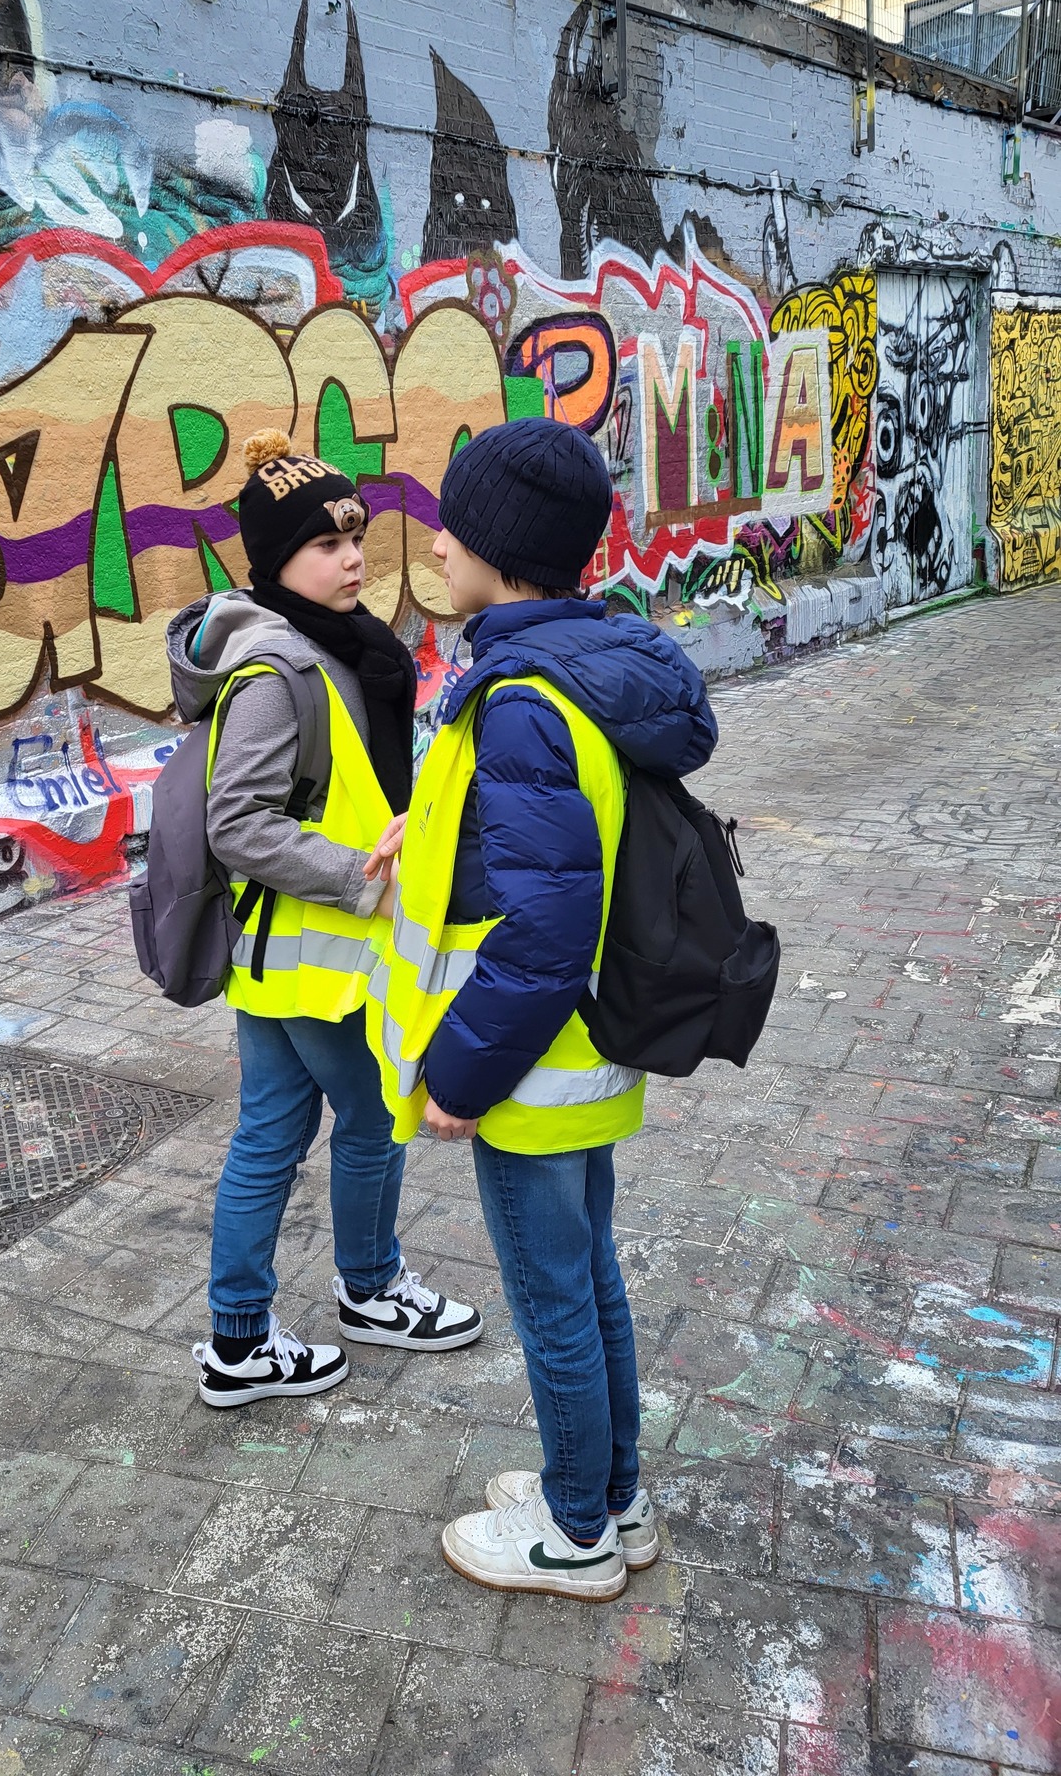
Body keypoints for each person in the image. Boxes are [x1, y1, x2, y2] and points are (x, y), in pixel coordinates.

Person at [365, 418, 717, 1598]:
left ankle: (574, 1534)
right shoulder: (580, 663)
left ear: (503, 554)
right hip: (579, 1056)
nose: (437, 544)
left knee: (554, 1298)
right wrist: (433, 825)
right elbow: (541, 843)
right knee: (589, 1278)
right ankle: (615, 1494)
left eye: (454, 527)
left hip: (526, 1067)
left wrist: (460, 1077)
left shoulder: (522, 699)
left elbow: (544, 932)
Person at [168, 429, 482, 1409]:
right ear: (276, 560)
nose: (351, 559)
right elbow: (236, 824)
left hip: (289, 955)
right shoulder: (279, 670)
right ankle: (372, 1287)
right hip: (317, 957)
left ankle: (238, 1339)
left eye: (355, 537)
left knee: (270, 1133)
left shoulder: (337, 647)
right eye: (325, 543)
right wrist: (362, 878)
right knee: (375, 1117)